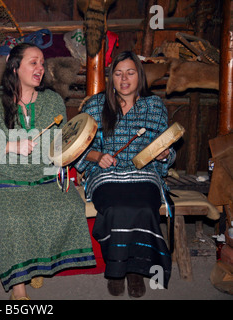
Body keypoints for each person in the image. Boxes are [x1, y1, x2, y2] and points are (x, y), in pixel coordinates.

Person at [0, 43, 96, 300]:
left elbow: (60, 144)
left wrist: (72, 148)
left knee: (65, 206)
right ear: (15, 67)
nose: (40, 68)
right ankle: (19, 289)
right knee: (12, 218)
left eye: (42, 63)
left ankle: (35, 263)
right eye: (33, 62)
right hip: (1, 175)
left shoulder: (52, 101)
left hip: (43, 174)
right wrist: (9, 145)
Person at [75, 51, 175, 298]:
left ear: (139, 76)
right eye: (118, 74)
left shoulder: (154, 106)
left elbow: (169, 149)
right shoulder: (95, 105)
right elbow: (75, 148)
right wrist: (97, 157)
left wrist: (164, 155)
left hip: (145, 174)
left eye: (130, 73)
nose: (124, 79)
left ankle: (135, 271)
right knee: (116, 207)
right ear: (111, 78)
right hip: (105, 174)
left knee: (142, 206)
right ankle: (117, 270)